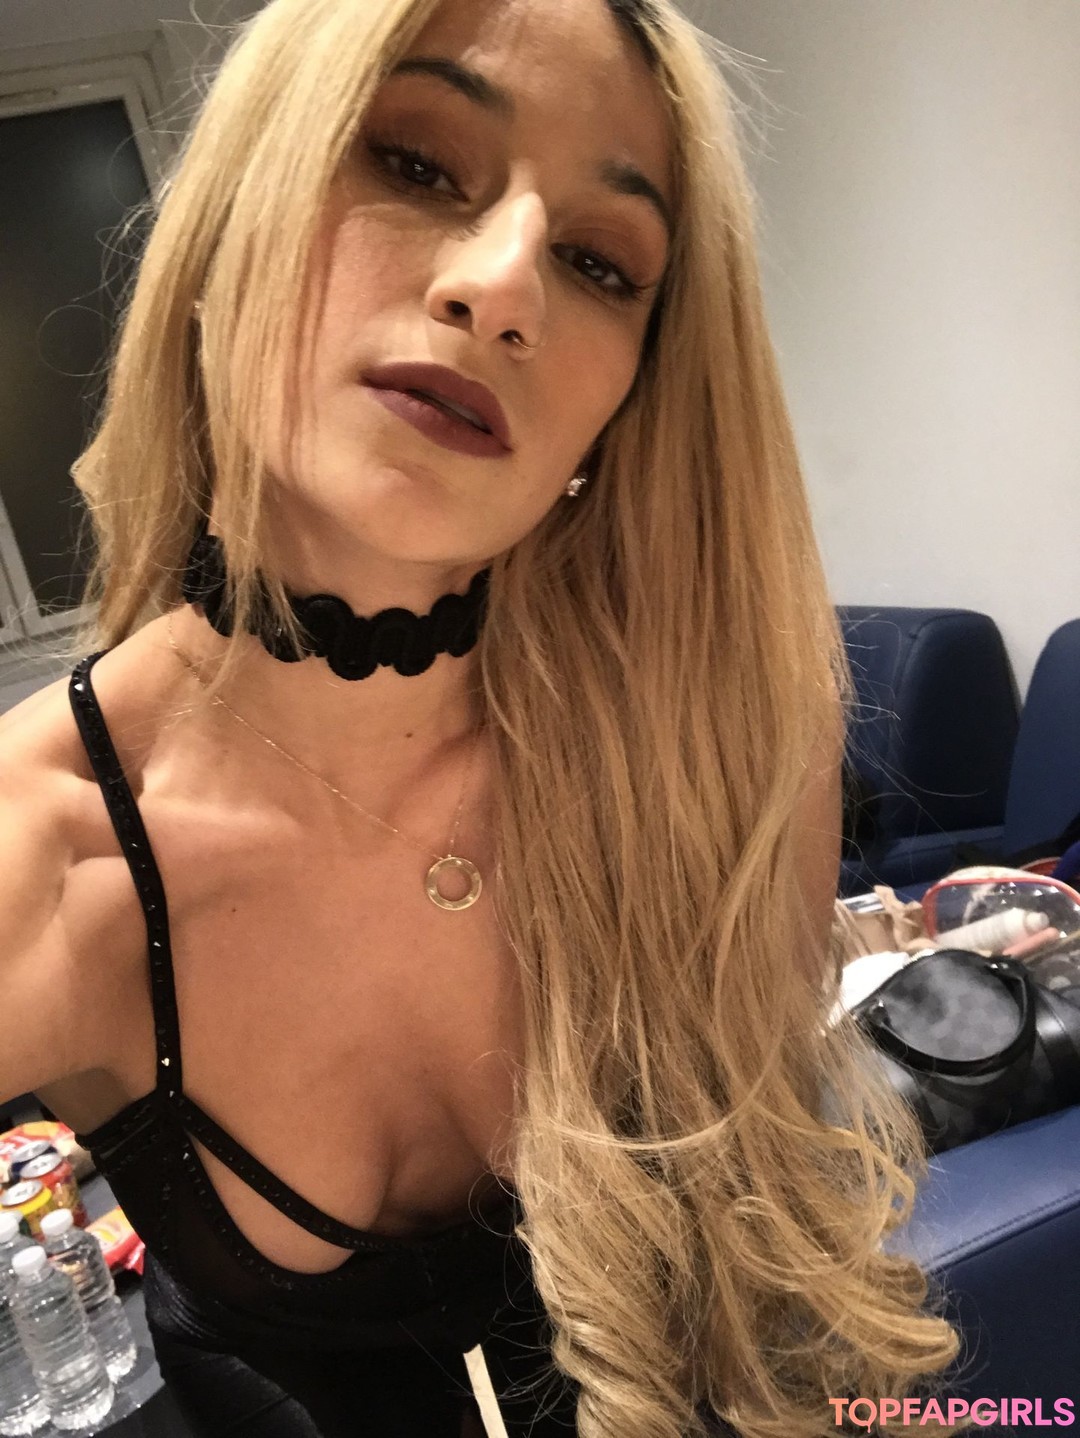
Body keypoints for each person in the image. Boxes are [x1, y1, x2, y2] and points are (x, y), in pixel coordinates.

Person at [0, 0, 961, 1433]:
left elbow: (771, 1297)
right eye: (414, 161)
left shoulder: (717, 766)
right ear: (236, 218)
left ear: (624, 404)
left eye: (599, 262)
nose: (503, 286)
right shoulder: (41, 855)